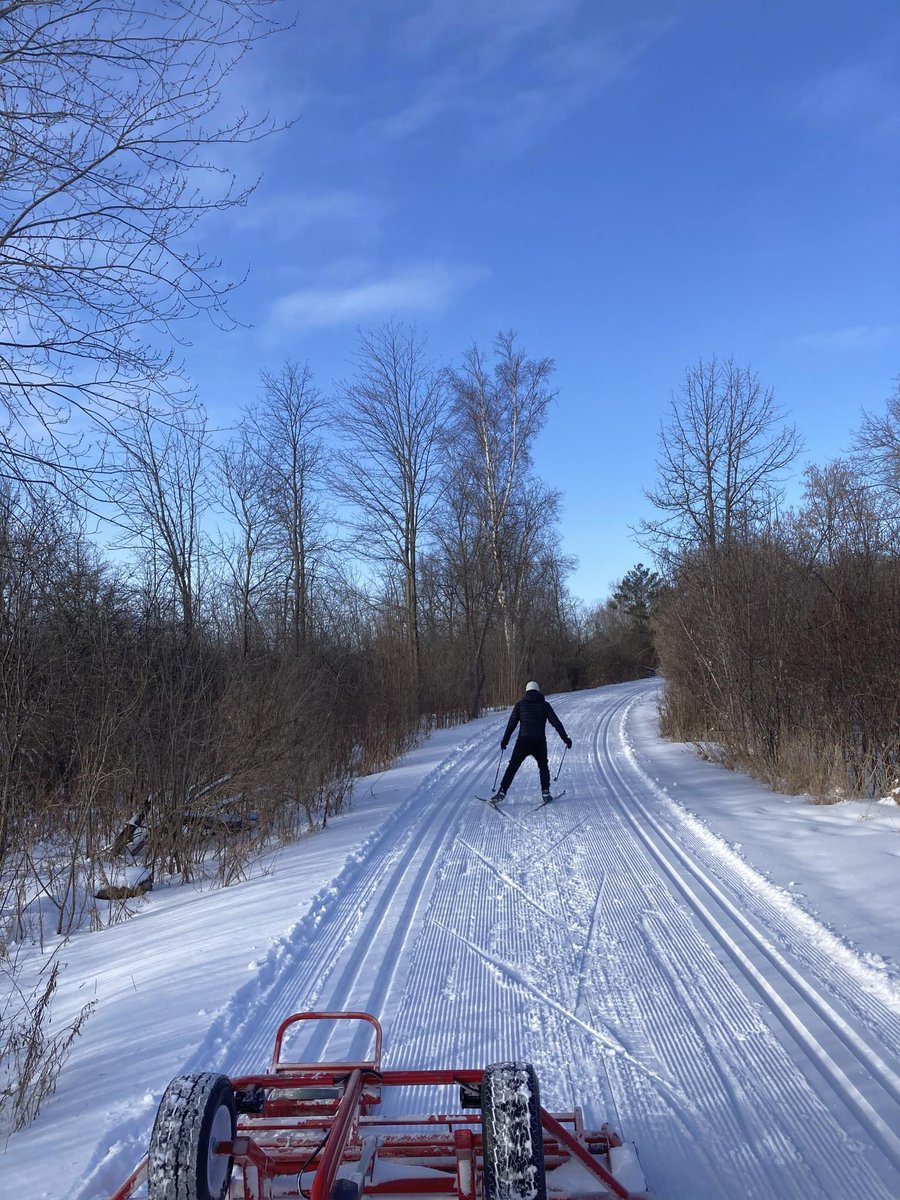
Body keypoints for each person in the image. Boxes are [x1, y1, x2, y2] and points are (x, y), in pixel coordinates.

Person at [490, 681, 572, 804]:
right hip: (539, 741)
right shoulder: (544, 705)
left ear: (526, 691)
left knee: (512, 766)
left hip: (523, 741)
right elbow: (556, 722)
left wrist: (505, 741)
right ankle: (545, 792)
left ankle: (502, 791)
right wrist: (566, 739)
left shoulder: (520, 705)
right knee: (543, 766)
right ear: (538, 691)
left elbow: (511, 724)